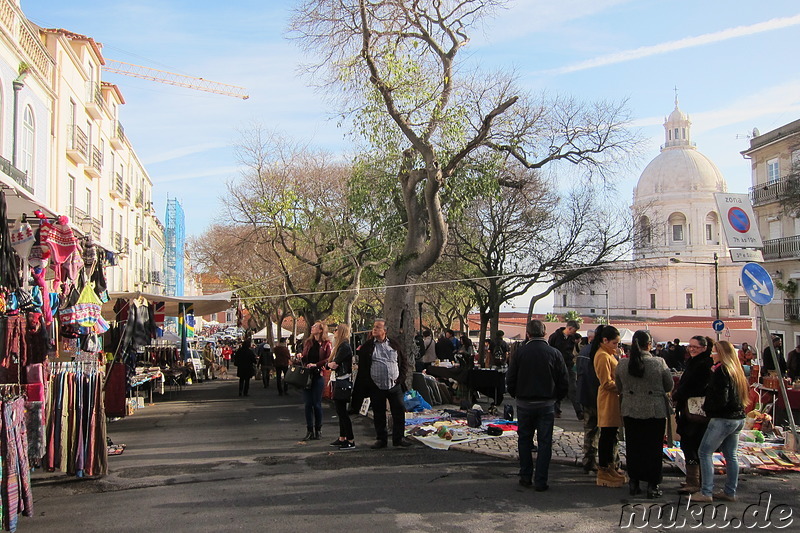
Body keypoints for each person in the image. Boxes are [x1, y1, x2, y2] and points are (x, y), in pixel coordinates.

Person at [506, 319, 568, 492]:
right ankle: (541, 480)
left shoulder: (520, 353)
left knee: (524, 440)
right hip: (546, 403)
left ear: (528, 334)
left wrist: (515, 394)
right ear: (544, 332)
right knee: (545, 442)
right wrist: (557, 398)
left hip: (525, 403)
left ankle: (525, 476)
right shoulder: (554, 353)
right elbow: (564, 380)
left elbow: (510, 378)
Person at [616, 330, 673, 498]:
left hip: (631, 409)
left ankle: (634, 481)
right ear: (649, 345)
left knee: (634, 447)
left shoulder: (622, 364)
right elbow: (668, 385)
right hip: (654, 410)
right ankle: (652, 484)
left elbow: (619, 387)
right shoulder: (659, 363)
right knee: (653, 449)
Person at [692, 341, 749, 503]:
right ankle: (730, 492)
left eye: (714, 352)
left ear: (721, 354)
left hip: (723, 418)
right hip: (738, 417)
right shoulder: (736, 370)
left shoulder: (721, 372)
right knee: (731, 455)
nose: (711, 355)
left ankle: (706, 492)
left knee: (704, 452)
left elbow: (721, 399)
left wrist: (708, 408)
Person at [355, 318, 413, 449]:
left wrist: (401, 378)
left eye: (378, 327)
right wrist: (369, 384)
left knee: (398, 412)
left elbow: (403, 362)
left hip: (394, 385)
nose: (374, 329)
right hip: (377, 386)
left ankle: (399, 438)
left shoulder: (394, 344)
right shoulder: (368, 347)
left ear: (385, 330)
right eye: (374, 327)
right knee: (379, 413)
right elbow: (363, 368)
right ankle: (381, 439)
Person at [671, 335, 713, 494]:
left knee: (692, 443)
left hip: (695, 410)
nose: (692, 348)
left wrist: (677, 394)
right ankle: (693, 479)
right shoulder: (695, 362)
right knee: (689, 443)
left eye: (695, 346)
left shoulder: (702, 364)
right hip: (689, 408)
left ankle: (696, 482)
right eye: (690, 346)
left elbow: (692, 386)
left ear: (703, 348)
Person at [592, 324, 626, 488]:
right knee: (606, 435)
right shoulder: (603, 356)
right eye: (614, 343)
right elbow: (606, 382)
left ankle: (609, 466)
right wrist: (623, 386)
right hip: (608, 399)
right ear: (605, 340)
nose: (617, 346)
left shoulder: (608, 354)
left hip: (613, 398)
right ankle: (604, 469)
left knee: (611, 435)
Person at [297, 321, 331, 441]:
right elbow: (305, 356)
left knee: (317, 404)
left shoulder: (326, 344)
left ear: (321, 330)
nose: (312, 328)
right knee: (307, 404)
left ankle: (318, 429)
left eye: (315, 326)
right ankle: (309, 430)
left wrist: (316, 364)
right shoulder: (308, 342)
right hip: (307, 375)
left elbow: (328, 358)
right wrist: (301, 357)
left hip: (318, 374)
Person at [327, 324, 356, 450]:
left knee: (342, 412)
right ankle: (342, 437)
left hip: (343, 380)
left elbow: (334, 364)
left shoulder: (344, 346)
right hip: (339, 379)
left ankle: (350, 439)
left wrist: (330, 364)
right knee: (340, 411)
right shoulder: (340, 346)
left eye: (336, 330)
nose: (334, 332)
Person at [548, 320, 582, 419]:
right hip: (557, 366)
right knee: (556, 388)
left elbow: (574, 350)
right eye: (574, 331)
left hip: (568, 365)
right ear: (569, 328)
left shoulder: (572, 338)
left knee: (573, 389)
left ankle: (579, 411)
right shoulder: (555, 336)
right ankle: (556, 410)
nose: (574, 333)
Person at [576, 329, 599, 473]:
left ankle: (588, 459)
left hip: (584, 395)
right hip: (596, 396)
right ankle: (593, 461)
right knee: (598, 430)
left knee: (589, 430)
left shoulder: (583, 352)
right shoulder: (597, 353)